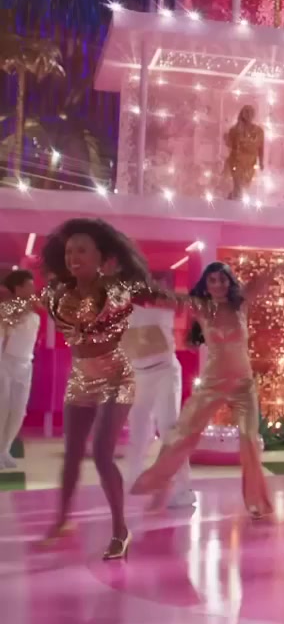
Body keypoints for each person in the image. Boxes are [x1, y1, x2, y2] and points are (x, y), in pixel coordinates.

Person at [131, 260, 284, 518]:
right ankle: (156, 484)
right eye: (212, 280)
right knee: (184, 432)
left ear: (229, 282)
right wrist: (137, 286)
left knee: (249, 440)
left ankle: (257, 502)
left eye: (222, 279)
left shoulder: (240, 304)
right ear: (206, 285)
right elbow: (171, 299)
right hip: (213, 383)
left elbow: (262, 280)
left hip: (243, 385)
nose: (218, 285)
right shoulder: (202, 307)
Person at [38, 218, 159, 559]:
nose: (74, 257)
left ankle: (120, 530)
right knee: (72, 455)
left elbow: (152, 299)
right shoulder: (59, 293)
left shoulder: (116, 291)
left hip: (115, 377)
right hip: (81, 378)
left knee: (103, 454)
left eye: (82, 250)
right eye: (69, 251)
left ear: (100, 257)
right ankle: (62, 520)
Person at [121, 285, 195, 508]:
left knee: (169, 429)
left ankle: (184, 488)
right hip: (138, 374)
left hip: (165, 372)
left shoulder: (159, 306)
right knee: (138, 429)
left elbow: (183, 303)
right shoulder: (116, 309)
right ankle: (134, 483)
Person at [0, 269, 39, 470]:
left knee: (18, 411)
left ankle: (4, 449)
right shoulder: (5, 310)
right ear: (18, 288)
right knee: (2, 408)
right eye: (29, 285)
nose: (33, 289)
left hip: (25, 365)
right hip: (5, 363)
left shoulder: (34, 316)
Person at [224, 105, 265, 201]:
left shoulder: (259, 131)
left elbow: (261, 147)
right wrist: (226, 138)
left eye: (251, 112)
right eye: (246, 111)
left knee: (245, 185)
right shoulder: (234, 130)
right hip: (237, 161)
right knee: (238, 185)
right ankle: (236, 203)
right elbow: (230, 145)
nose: (248, 114)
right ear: (242, 113)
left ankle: (231, 198)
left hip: (250, 162)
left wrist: (261, 161)